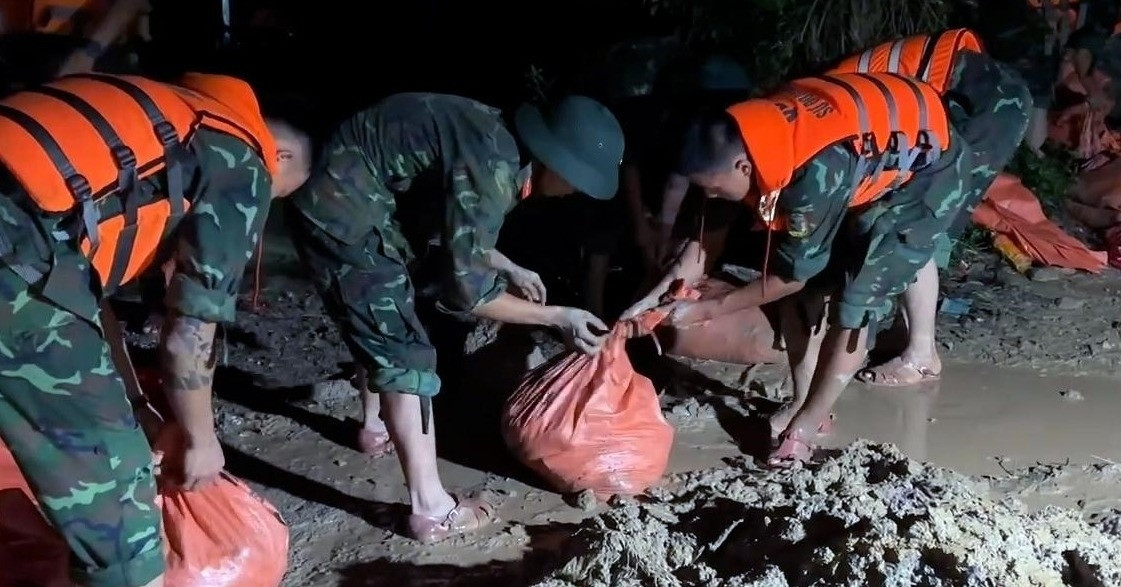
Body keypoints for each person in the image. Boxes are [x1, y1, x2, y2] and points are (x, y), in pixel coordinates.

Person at [0, 72, 312, 587]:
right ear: (278, 156)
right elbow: (188, 335)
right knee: (120, 511)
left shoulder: (159, 120)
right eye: (276, 195)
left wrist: (138, 405)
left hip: (25, 245)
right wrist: (201, 440)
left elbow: (84, 300)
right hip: (15, 256)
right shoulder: (241, 162)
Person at [286, 92, 624, 542]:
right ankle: (432, 510)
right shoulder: (494, 167)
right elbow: (467, 294)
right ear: (558, 162)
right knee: (406, 350)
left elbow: (455, 229)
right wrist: (557, 317)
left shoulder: (498, 142)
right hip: (342, 206)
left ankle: (374, 426)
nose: (576, 192)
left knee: (381, 314)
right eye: (579, 181)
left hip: (360, 194)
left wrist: (509, 267)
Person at [622, 70, 974, 465]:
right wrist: (659, 292)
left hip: (931, 171)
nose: (710, 195)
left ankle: (805, 428)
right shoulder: (739, 143)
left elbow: (791, 276)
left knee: (855, 302)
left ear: (742, 167)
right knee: (806, 294)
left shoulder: (812, 173)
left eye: (714, 188)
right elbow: (705, 241)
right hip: (864, 159)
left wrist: (708, 309)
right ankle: (803, 401)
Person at [820, 29, 1033, 386]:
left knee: (913, 221)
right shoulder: (826, 94)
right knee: (924, 219)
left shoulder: (828, 108)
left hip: (980, 101)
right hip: (986, 93)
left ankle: (921, 356)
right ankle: (907, 333)